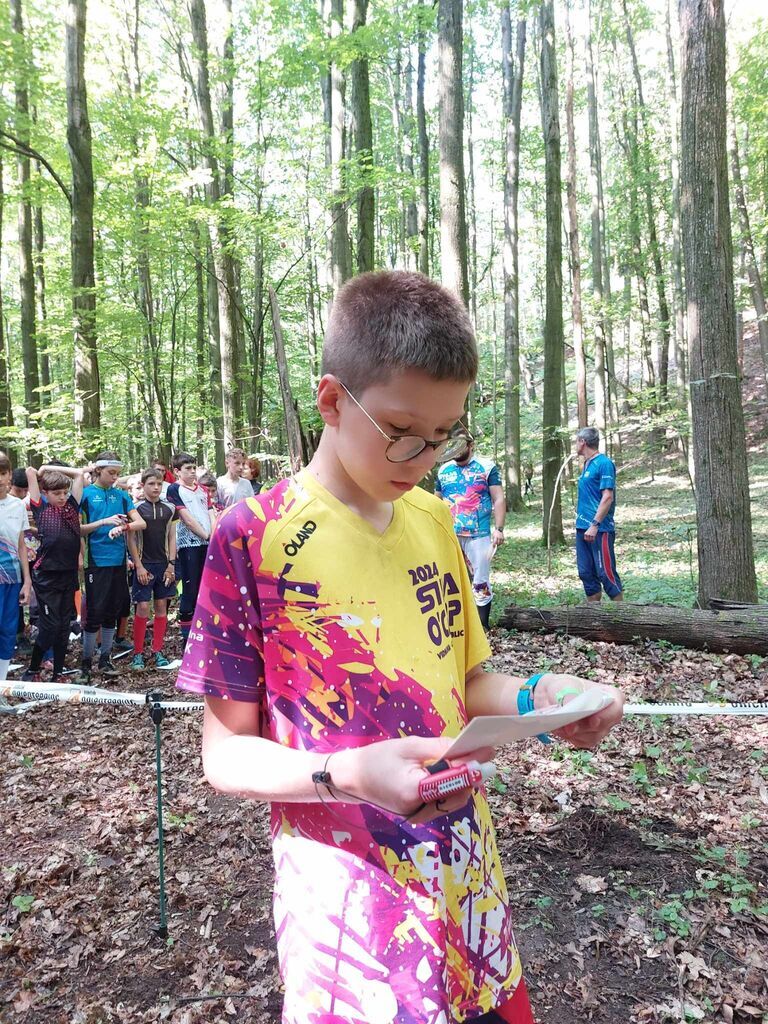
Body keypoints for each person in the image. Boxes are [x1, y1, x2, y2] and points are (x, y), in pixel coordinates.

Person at [177, 270, 624, 1024]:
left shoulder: (436, 520)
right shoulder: (252, 537)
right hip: (347, 912)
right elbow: (224, 757)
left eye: (443, 437)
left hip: (466, 881)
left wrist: (539, 698)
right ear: (330, 401)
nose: (422, 458)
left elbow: (466, 681)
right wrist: (344, 772)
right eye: (401, 431)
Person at [78, 452, 146, 682]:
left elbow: (141, 522)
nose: (115, 478)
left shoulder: (121, 495)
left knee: (112, 611)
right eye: (110, 473)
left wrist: (124, 528)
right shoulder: (86, 495)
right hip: (96, 561)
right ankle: (86, 664)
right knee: (94, 611)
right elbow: (78, 529)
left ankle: (105, 659)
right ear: (98, 471)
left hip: (118, 561)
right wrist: (104, 522)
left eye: (117, 473)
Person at [435, 440, 506, 630]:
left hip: (478, 534)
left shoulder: (486, 467)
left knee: (480, 580)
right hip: (450, 534)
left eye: (460, 446)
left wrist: (498, 528)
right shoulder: (444, 470)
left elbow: (498, 498)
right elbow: (436, 501)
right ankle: (457, 623)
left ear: (470, 445)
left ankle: (482, 626)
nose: (456, 451)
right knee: (451, 579)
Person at [22, 465, 84, 682]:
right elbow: (30, 471)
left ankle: (58, 673)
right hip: (46, 576)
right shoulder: (40, 509)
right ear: (45, 493)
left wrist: (50, 468)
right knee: (50, 626)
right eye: (56, 493)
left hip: (67, 576)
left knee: (64, 626)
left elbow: (78, 474)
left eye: (64, 493)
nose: (62, 497)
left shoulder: (72, 508)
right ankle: (32, 669)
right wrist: (43, 472)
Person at [127, 468, 177, 670]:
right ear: (143, 485)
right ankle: (137, 653)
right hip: (144, 564)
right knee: (142, 607)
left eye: (159, 484)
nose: (156, 488)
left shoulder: (170, 508)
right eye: (151, 484)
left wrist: (171, 564)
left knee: (161, 607)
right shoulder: (136, 509)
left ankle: (157, 650)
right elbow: (130, 538)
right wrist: (138, 565)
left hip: (163, 563)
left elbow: (172, 536)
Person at [167, 452, 214, 645]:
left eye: (194, 468)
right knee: (190, 587)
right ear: (177, 471)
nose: (193, 472)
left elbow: (211, 512)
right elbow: (185, 517)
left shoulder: (203, 489)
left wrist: (214, 534)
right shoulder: (174, 489)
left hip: (208, 543)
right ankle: (187, 638)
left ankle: (207, 630)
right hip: (189, 544)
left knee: (208, 586)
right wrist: (205, 535)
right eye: (188, 469)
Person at [575, 426, 623, 602]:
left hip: (600, 529)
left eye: (576, 441)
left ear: (583, 442)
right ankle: (595, 620)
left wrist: (595, 525)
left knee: (606, 574)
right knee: (586, 574)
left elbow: (607, 496)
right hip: (582, 527)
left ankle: (622, 618)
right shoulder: (587, 464)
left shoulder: (604, 463)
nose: (575, 445)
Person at [0, 454, 31, 682]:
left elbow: (21, 545)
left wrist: (27, 581)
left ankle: (1, 687)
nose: (0, 479)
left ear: (10, 474)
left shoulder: (18, 505)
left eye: (3, 473)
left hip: (12, 578)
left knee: (8, 633)